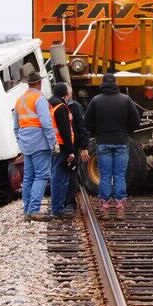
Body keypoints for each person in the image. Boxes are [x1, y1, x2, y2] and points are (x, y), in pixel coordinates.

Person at [84, 73, 140, 220]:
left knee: (105, 176)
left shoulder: (96, 101)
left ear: (103, 83)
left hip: (103, 142)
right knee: (120, 176)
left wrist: (98, 132)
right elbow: (135, 122)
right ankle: (120, 209)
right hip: (121, 142)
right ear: (116, 82)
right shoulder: (125, 99)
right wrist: (125, 131)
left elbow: (87, 123)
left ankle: (105, 210)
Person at [12, 71, 57, 222]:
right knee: (42, 175)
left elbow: (16, 127)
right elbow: (46, 123)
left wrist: (21, 142)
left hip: (26, 144)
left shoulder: (19, 100)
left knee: (29, 178)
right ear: (39, 83)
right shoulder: (40, 98)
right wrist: (52, 142)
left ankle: (27, 211)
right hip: (40, 142)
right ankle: (34, 210)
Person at [59, 83, 91, 212]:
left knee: (70, 173)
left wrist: (83, 146)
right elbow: (82, 127)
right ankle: (64, 203)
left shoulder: (75, 107)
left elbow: (81, 128)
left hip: (71, 145)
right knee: (63, 174)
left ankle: (69, 203)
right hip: (62, 145)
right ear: (68, 93)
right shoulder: (71, 106)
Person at [47, 83, 76, 219]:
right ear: (66, 94)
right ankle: (58, 209)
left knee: (56, 176)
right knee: (60, 177)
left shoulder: (49, 104)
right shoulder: (61, 107)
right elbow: (65, 131)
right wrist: (71, 151)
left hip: (53, 145)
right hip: (63, 146)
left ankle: (57, 207)